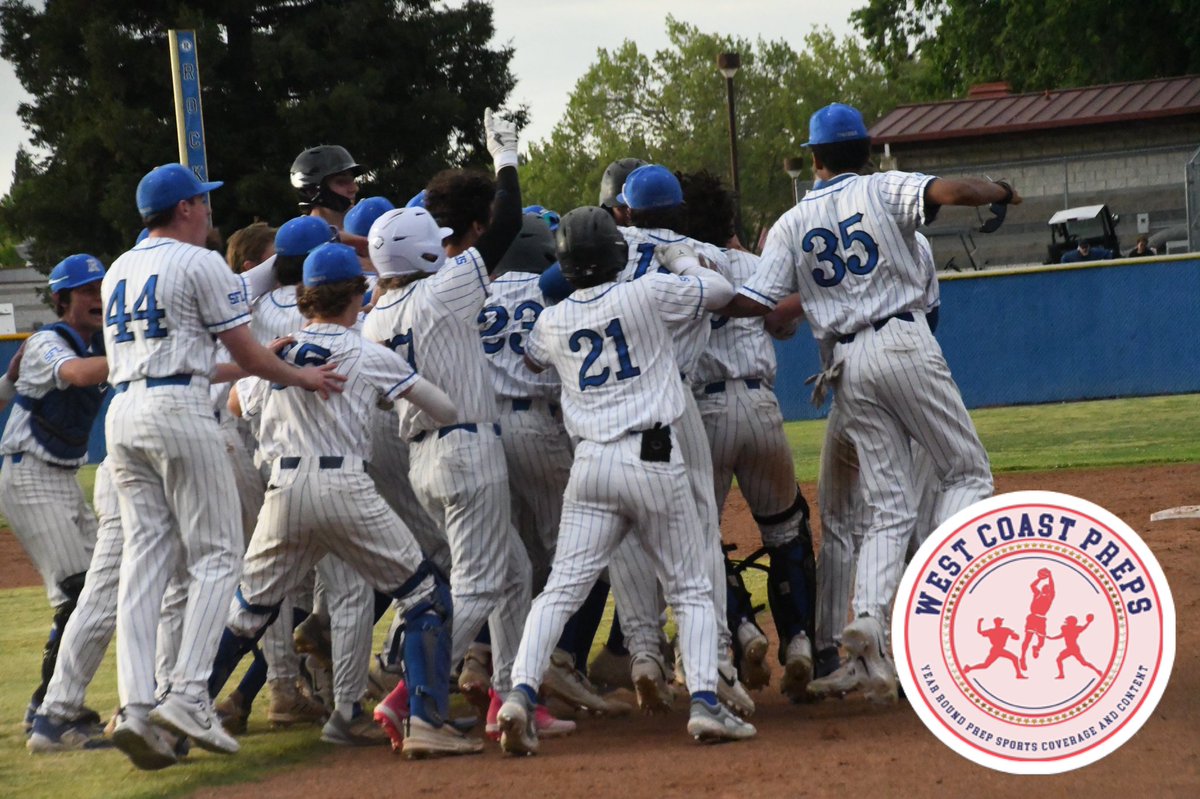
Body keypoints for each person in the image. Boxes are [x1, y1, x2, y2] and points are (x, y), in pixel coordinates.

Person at [721, 103, 1016, 703]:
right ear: (868, 149)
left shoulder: (789, 222)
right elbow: (951, 190)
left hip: (845, 364)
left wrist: (694, 296)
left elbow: (756, 304)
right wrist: (1001, 189)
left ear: (814, 157)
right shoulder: (885, 188)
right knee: (966, 471)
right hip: (903, 339)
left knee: (886, 509)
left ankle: (867, 622)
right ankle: (935, 582)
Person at [102, 163, 344, 770]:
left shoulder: (118, 269)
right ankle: (188, 694)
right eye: (202, 203)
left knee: (145, 564)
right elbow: (241, 352)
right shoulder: (200, 262)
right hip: (179, 411)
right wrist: (302, 374)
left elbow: (213, 363)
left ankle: (136, 705)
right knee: (218, 557)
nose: (209, 213)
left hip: (125, 413)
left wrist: (268, 360)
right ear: (183, 208)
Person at [495, 206, 755, 755]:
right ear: (616, 253)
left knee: (560, 589)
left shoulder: (551, 319)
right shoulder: (645, 292)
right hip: (653, 455)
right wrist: (680, 257)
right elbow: (716, 287)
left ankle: (518, 696)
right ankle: (706, 703)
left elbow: (534, 359)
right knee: (690, 587)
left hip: (590, 465)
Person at [207, 242, 481, 759]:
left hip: (284, 492)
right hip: (346, 488)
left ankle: (187, 710)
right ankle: (424, 720)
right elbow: (444, 408)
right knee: (425, 597)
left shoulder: (277, 352)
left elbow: (238, 402)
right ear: (357, 295)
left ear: (305, 298)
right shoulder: (366, 349)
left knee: (248, 613)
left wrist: (271, 360)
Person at [365, 109, 533, 747]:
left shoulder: (376, 315)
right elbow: (509, 222)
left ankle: (509, 698)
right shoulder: (446, 290)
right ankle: (413, 695)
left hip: (423, 459)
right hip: (466, 451)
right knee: (481, 582)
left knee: (511, 573)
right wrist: (506, 154)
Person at [678, 169, 819, 701]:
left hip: (704, 412)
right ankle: (801, 641)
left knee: (699, 539)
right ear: (729, 218)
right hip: (760, 405)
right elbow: (782, 325)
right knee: (786, 529)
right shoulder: (757, 265)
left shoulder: (680, 269)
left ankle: (741, 629)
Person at [0, 254, 109, 737]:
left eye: (102, 288)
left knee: (100, 590)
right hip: (29, 475)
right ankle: (51, 713)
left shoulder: (101, 342)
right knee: (80, 593)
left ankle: (50, 706)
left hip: (59, 478)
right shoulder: (48, 340)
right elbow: (80, 375)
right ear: (63, 299)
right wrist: (147, 350)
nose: (97, 298)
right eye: (86, 291)